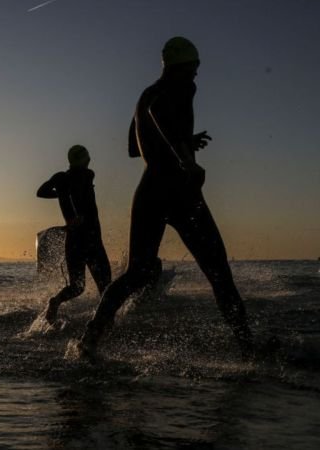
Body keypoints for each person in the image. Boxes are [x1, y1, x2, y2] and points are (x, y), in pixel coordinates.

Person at [77, 37, 253, 359]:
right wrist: (185, 158)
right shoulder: (181, 87)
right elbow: (162, 115)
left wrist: (183, 140)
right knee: (218, 272)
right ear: (180, 65)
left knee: (136, 272)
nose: (197, 73)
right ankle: (250, 350)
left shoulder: (145, 95)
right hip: (179, 190)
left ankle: (90, 338)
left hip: (149, 191)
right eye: (194, 66)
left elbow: (135, 147)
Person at [36, 145, 111, 324]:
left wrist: (60, 193)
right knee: (106, 287)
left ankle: (55, 301)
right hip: (91, 240)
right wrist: (63, 193)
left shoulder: (60, 178)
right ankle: (105, 322)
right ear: (84, 159)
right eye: (87, 157)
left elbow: (41, 192)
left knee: (77, 287)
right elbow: (79, 188)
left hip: (74, 239)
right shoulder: (87, 175)